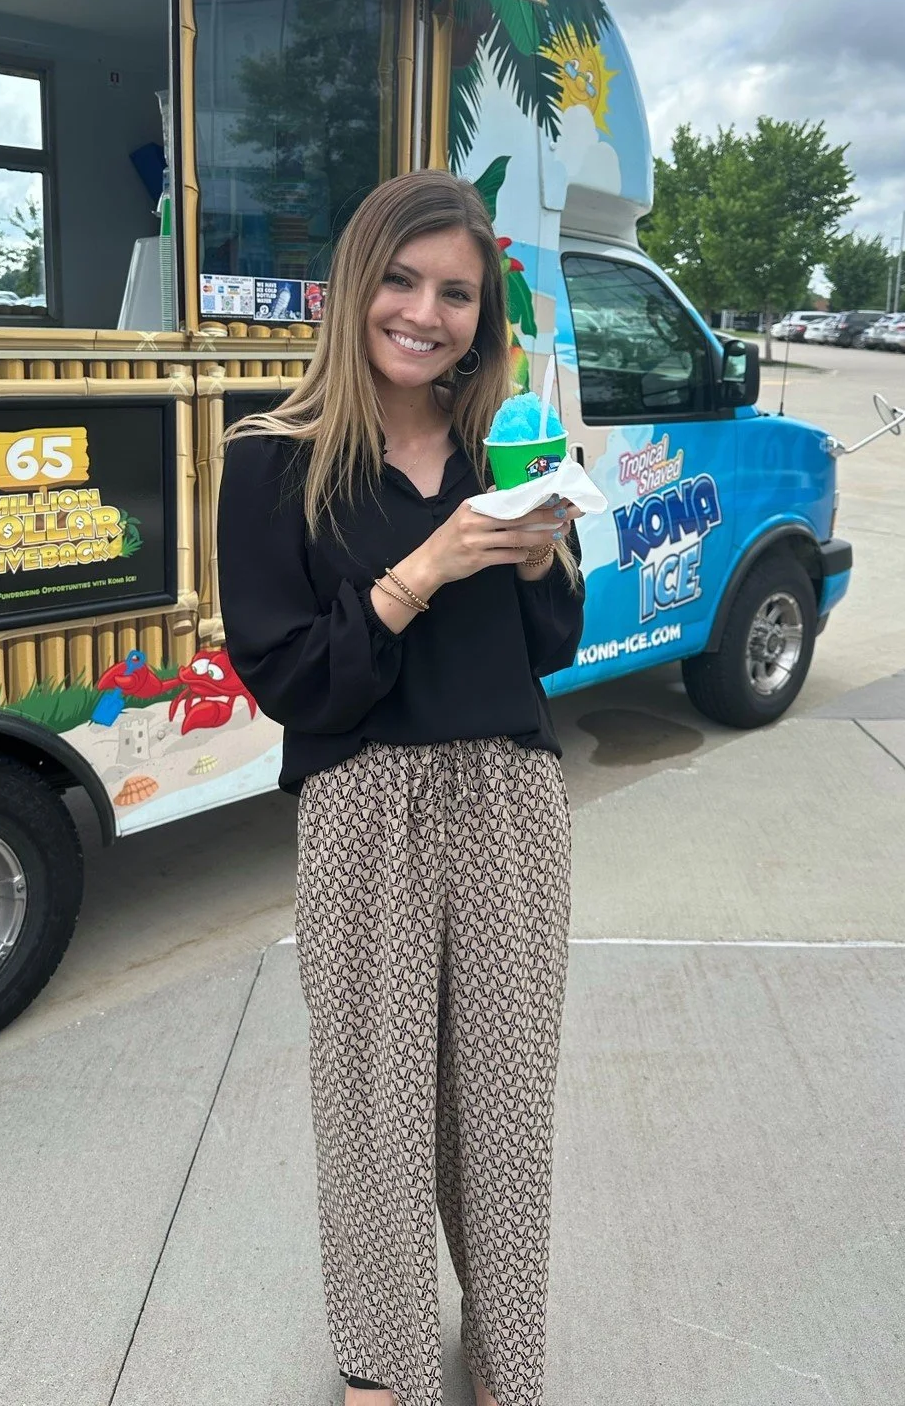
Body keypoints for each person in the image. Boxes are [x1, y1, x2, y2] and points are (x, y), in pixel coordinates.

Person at [218, 169, 585, 1406]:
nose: (427, 312)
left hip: (509, 804)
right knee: (372, 1113)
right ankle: (382, 1368)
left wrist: (541, 554)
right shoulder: (270, 460)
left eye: (459, 293)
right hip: (365, 810)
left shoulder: (507, 442)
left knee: (504, 1113)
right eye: (403, 279)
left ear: (485, 313)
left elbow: (550, 647)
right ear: (354, 284)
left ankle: (503, 1362)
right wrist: (421, 567)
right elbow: (289, 679)